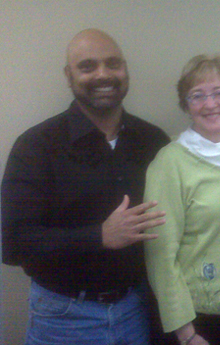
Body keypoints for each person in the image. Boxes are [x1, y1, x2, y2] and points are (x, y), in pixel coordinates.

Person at [1, 29, 170, 345]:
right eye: (87, 66)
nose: (103, 74)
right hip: (63, 319)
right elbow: (13, 243)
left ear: (125, 70)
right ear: (69, 75)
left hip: (138, 312)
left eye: (113, 63)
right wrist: (100, 236)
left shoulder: (154, 141)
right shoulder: (36, 146)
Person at [144, 54, 220, 345]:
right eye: (197, 95)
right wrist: (186, 334)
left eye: (219, 92)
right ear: (186, 105)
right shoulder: (169, 162)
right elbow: (160, 254)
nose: (210, 104)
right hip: (198, 321)